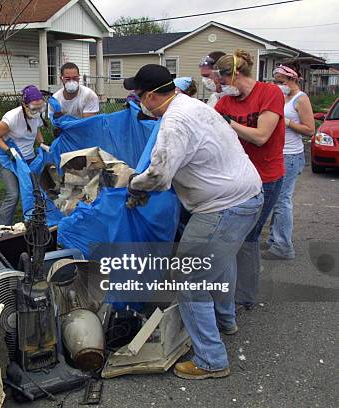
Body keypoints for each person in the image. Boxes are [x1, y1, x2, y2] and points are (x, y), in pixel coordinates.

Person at [125, 64, 263, 380]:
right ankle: (225, 319)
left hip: (224, 206)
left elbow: (159, 177)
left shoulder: (174, 122)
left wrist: (135, 184)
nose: (138, 100)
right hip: (248, 195)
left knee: (187, 280)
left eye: (138, 95)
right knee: (221, 260)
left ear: (148, 96)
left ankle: (211, 360)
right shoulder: (192, 104)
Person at [213, 50, 285, 309]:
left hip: (266, 176)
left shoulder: (270, 93)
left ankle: (245, 296)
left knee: (249, 236)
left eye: (222, 82)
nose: (220, 88)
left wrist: (229, 122)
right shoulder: (224, 103)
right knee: (236, 236)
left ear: (234, 75)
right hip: (237, 178)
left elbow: (261, 136)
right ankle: (232, 293)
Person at [264, 61, 315, 260]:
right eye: (276, 81)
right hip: (278, 152)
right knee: (274, 200)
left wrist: (286, 122)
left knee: (282, 201)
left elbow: (310, 129)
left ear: (293, 78)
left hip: (291, 155)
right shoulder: (283, 96)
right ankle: (274, 241)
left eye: (281, 81)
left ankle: (283, 246)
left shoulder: (301, 99)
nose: (278, 84)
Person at [0, 85, 48, 226]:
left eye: (40, 108)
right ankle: (0, 227)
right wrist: (8, 151)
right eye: (34, 108)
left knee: (33, 191)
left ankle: (35, 222)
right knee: (13, 194)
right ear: (24, 104)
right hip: (10, 159)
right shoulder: (11, 118)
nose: (37, 111)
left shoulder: (36, 114)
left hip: (29, 159)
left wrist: (42, 143)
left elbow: (36, 130)